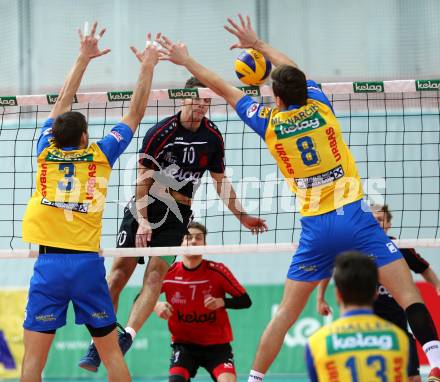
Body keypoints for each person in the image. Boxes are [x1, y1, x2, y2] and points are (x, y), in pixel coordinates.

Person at [156, 14, 440, 381]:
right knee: (410, 298)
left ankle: (255, 378)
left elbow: (222, 88)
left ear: (275, 97)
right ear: (305, 89)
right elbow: (293, 70)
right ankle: (436, 364)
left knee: (285, 316)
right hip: (355, 219)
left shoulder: (268, 122)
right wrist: (258, 45)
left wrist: (187, 61)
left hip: (316, 230)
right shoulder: (321, 105)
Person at [78, 73, 267, 371]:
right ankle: (98, 341)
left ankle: (126, 336)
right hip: (145, 205)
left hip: (177, 216)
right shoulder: (160, 132)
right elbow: (142, 180)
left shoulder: (213, 137)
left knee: (155, 277)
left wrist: (241, 215)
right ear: (182, 97)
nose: (202, 105)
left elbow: (220, 181)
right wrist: (142, 221)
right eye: (197, 99)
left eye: (207, 101)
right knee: (116, 276)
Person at [21, 22, 160, 382]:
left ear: (55, 136)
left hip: (49, 266)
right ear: (85, 137)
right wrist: (147, 66)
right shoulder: (99, 156)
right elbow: (134, 114)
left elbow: (62, 100)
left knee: (32, 367)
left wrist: (82, 58)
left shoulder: (43, 153)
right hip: (86, 268)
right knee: (112, 356)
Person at [317, 204, 440, 381]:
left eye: (380, 220)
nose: (376, 223)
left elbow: (424, 268)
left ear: (388, 224)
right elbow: (328, 269)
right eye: (372, 219)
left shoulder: (400, 248)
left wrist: (437, 285)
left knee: (413, 378)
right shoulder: (354, 249)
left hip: (398, 328)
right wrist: (320, 297)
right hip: (366, 330)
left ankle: (436, 364)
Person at [154, 221, 251, 382]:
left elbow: (245, 301)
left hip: (217, 346)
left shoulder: (218, 271)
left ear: (205, 244)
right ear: (181, 243)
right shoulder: (168, 272)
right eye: (188, 238)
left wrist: (222, 302)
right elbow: (141, 297)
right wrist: (155, 304)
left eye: (198, 238)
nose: (193, 241)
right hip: (184, 345)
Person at [306, 251, 409, 381]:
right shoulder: (399, 339)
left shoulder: (317, 342)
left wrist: (320, 297)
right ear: (375, 293)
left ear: (338, 295)